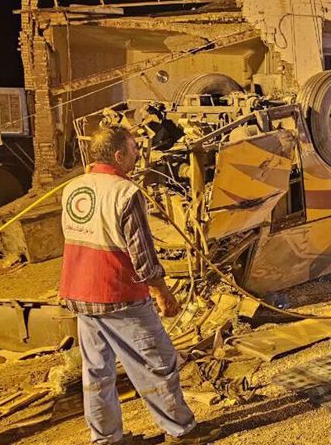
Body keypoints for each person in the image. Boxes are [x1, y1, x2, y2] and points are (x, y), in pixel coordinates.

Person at [60, 126, 219, 445]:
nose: (138, 154)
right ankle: (180, 431)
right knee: (157, 362)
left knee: (97, 372)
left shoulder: (73, 188)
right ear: (118, 156)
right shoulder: (125, 193)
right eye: (133, 149)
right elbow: (142, 256)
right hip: (117, 293)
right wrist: (163, 293)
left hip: (79, 293)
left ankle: (106, 439)